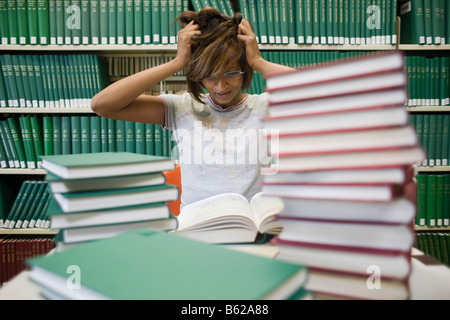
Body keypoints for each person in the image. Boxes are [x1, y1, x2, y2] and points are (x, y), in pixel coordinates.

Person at [91, 8, 294, 208]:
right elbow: (102, 105)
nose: (221, 86)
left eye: (231, 73)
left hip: (253, 230)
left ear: (245, 71)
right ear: (197, 74)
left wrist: (258, 61)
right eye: (210, 75)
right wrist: (178, 62)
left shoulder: (266, 106)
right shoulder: (182, 107)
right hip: (197, 230)